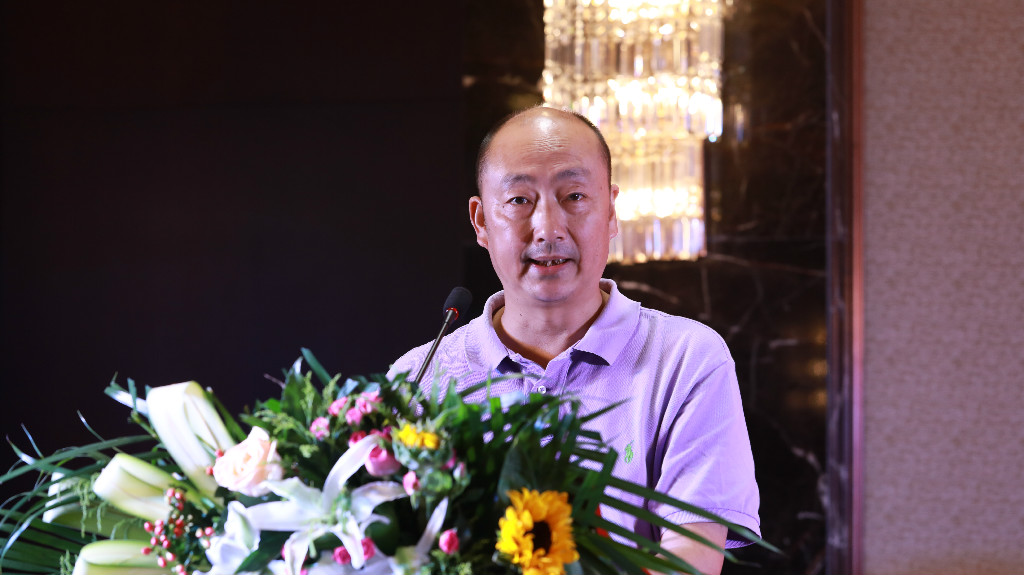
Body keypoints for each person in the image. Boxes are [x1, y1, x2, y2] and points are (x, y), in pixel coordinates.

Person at [388, 106, 759, 575]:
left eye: (575, 196)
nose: (548, 228)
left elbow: (690, 560)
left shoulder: (686, 359)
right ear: (480, 221)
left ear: (611, 212)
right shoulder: (418, 378)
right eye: (519, 200)